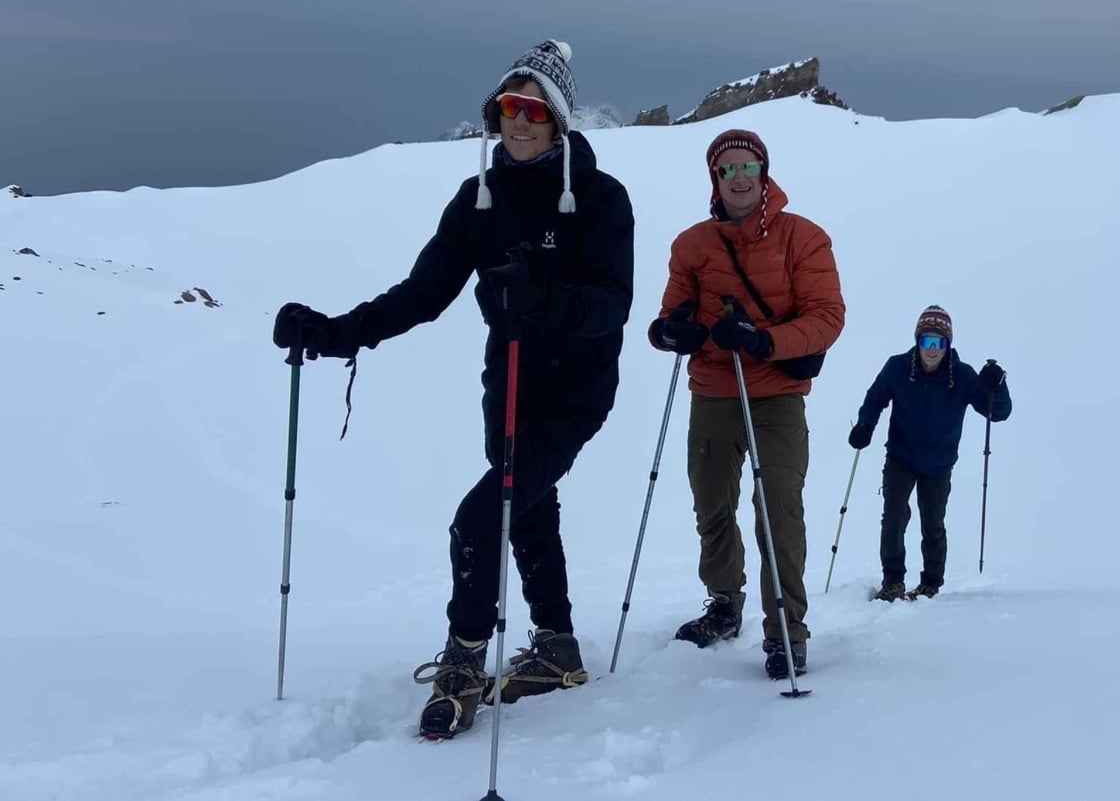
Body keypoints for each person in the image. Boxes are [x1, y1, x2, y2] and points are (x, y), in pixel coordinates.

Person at [271, 40, 633, 738]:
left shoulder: (600, 198)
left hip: (576, 390)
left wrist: (541, 298)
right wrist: (337, 333)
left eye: (535, 109)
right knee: (526, 506)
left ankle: (463, 662)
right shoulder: (478, 200)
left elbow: (611, 305)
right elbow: (423, 293)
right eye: (509, 106)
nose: (519, 120)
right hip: (508, 383)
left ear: (559, 120)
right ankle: (557, 647)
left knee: (481, 516)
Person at [647, 129, 845, 679]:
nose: (738, 178)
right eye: (727, 169)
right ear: (715, 179)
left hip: (777, 394)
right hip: (713, 390)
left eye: (747, 167)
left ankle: (786, 629)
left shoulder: (803, 237)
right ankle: (724, 604)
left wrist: (763, 342)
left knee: (777, 505)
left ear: (764, 173)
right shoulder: (692, 246)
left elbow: (827, 316)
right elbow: (670, 315)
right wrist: (670, 333)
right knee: (712, 505)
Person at [847, 305, 1011, 602]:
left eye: (939, 342)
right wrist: (864, 426)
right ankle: (893, 581)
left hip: (939, 463)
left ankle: (931, 584)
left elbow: (997, 413)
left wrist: (998, 388)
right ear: (917, 341)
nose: (932, 349)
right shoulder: (897, 367)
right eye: (927, 341)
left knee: (933, 523)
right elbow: (875, 398)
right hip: (901, 456)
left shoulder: (962, 376)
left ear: (947, 345)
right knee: (894, 516)